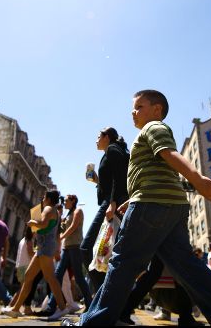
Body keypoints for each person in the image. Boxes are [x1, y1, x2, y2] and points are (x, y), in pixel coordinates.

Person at [70, 90, 211, 326]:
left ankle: (93, 323)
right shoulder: (151, 134)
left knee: (122, 262)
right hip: (172, 208)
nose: (133, 112)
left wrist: (197, 178)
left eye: (139, 107)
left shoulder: (153, 128)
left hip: (150, 205)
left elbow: (169, 154)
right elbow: (160, 171)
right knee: (186, 267)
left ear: (156, 109)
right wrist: (133, 198)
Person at [3, 190, 69, 319]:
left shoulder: (48, 209)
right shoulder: (55, 211)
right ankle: (16, 309)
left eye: (44, 197)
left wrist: (31, 223)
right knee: (28, 277)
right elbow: (54, 233)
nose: (43, 199)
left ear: (49, 199)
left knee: (50, 278)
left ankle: (62, 308)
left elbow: (42, 224)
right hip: (43, 248)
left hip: (44, 248)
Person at [80, 126, 129, 295]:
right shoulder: (112, 151)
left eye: (98, 136)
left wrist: (113, 202)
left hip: (111, 203)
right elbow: (111, 180)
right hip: (111, 201)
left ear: (106, 137)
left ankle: (103, 295)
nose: (96, 140)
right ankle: (105, 296)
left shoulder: (113, 149)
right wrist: (97, 180)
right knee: (105, 252)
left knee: (87, 248)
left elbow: (119, 177)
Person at [44, 194, 92, 318]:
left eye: (66, 201)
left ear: (73, 201)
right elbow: (62, 228)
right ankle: (51, 306)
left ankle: (90, 304)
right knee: (57, 275)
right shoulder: (66, 214)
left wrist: (61, 237)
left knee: (79, 277)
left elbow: (73, 227)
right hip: (66, 248)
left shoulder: (78, 211)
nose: (64, 202)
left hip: (75, 247)